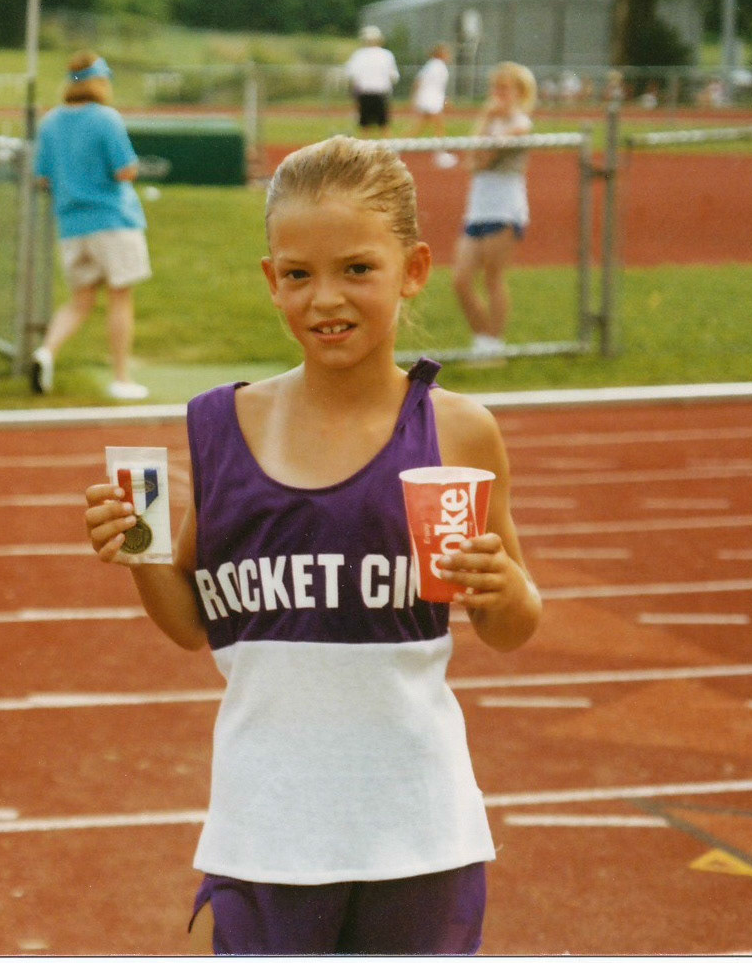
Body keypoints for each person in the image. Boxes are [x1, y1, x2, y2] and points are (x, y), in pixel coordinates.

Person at [84, 135, 540, 955]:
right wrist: (140, 554)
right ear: (271, 282)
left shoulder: (460, 430)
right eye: (298, 274)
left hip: (419, 830)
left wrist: (504, 591)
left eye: (356, 269)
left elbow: (511, 622)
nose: (324, 297)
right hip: (267, 830)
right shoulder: (222, 426)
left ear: (414, 269)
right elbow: (195, 623)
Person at [30, 51, 151, 401]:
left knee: (79, 301)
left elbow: (43, 177)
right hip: (113, 220)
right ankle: (121, 377)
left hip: (71, 226)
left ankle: (46, 352)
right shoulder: (106, 119)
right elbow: (124, 169)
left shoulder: (50, 122)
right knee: (120, 298)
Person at [453, 62, 536, 366]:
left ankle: (492, 344)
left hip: (504, 209)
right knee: (461, 279)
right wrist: (486, 122)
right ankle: (484, 339)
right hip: (477, 209)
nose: (497, 95)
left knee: (492, 278)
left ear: (519, 93)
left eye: (504, 88)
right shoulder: (491, 122)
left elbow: (484, 158)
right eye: (495, 88)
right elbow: (472, 160)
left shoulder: (520, 123)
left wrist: (487, 129)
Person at [344, 24, 399, 134]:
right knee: (384, 125)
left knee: (364, 125)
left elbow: (350, 74)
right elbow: (394, 76)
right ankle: (391, 149)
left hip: (364, 93)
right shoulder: (386, 54)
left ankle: (363, 150)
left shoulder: (358, 55)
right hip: (381, 93)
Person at [409, 43, 457, 167]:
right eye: (447, 53)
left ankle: (398, 146)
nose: (449, 55)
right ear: (440, 54)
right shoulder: (436, 65)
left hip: (431, 99)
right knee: (439, 126)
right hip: (430, 100)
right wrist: (416, 98)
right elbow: (420, 81)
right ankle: (440, 155)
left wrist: (445, 99)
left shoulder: (434, 65)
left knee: (420, 126)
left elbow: (436, 85)